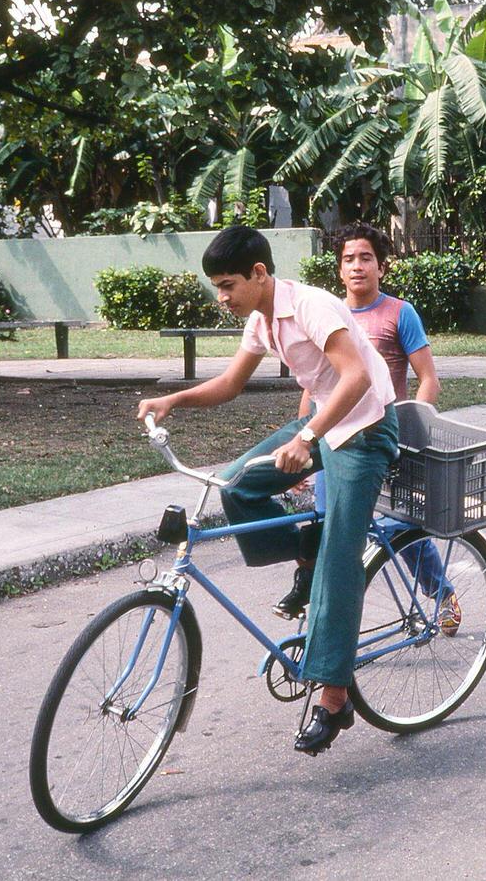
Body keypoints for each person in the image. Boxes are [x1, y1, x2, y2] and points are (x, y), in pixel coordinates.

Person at [136, 225, 399, 756]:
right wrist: (174, 401)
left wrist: (306, 438)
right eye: (216, 286)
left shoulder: (312, 306)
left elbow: (357, 378)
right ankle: (306, 547)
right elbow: (231, 385)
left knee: (339, 559)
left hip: (365, 428)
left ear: (259, 274)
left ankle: (332, 696)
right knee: (238, 485)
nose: (222, 297)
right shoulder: (260, 319)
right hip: (325, 424)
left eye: (228, 284)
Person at [272, 223, 454, 628]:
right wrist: (304, 443)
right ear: (338, 270)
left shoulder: (399, 313)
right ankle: (318, 612)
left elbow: (429, 380)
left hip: (381, 435)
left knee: (398, 525)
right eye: (348, 260)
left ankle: (440, 592)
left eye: (366, 258)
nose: (357, 267)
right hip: (334, 435)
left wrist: (411, 431)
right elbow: (316, 387)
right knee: (324, 526)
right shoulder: (322, 311)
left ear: (381, 268)